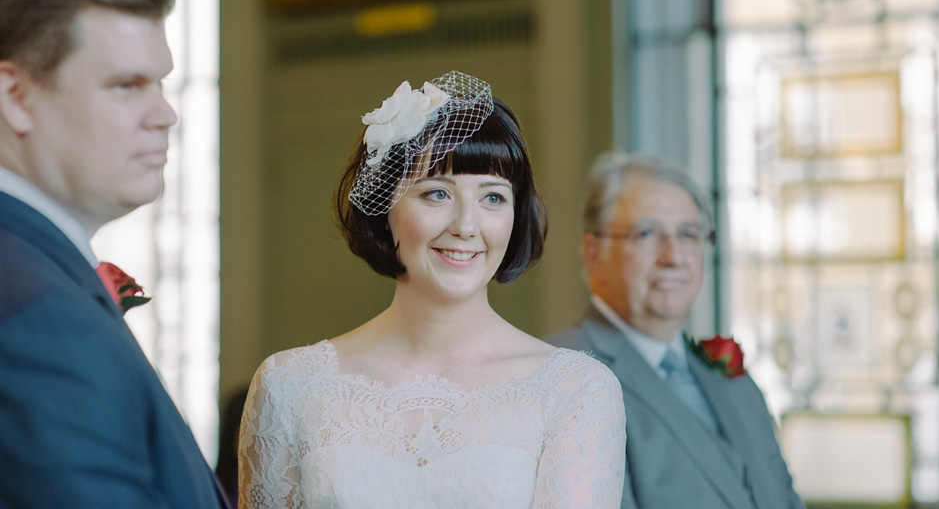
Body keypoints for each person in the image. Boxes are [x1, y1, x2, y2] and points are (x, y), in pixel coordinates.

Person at [238, 72, 626, 508]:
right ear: (386, 209)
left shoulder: (574, 389)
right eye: (437, 194)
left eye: (493, 197)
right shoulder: (290, 386)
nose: (465, 225)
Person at [0, 0, 229, 508]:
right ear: (15, 95)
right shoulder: (36, 311)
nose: (165, 115)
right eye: (127, 86)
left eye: (162, 84)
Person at [550, 154, 804, 509]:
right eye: (647, 233)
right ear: (594, 254)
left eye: (688, 234)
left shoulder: (733, 380)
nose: (673, 256)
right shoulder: (562, 378)